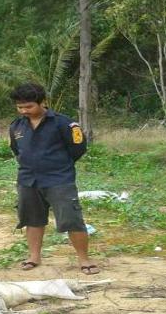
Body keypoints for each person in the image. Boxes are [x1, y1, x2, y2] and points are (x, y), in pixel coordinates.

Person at [8, 82, 100, 275]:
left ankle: (84, 259)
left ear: (42, 103)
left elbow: (78, 148)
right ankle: (34, 257)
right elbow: (17, 150)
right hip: (28, 180)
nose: (24, 111)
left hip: (59, 180)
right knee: (32, 219)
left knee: (72, 219)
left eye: (29, 106)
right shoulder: (16, 126)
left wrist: (57, 165)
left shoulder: (64, 123)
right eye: (20, 107)